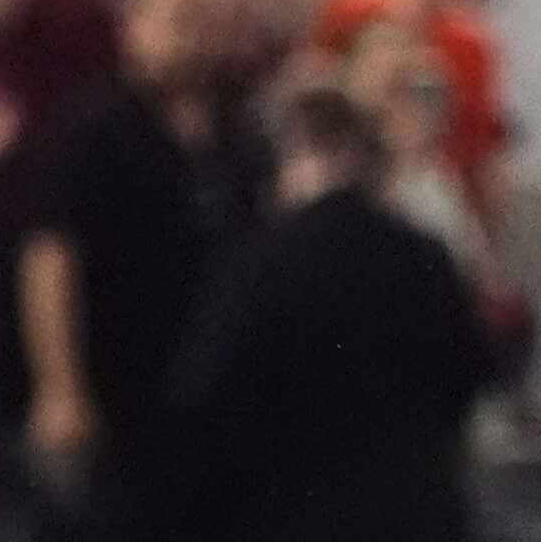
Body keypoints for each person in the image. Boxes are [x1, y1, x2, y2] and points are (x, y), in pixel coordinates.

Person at [165, 86, 503, 542]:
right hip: (415, 512)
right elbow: (473, 370)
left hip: (291, 512)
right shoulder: (424, 255)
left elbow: (206, 393)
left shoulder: (259, 262)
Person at [20, 0, 273, 542]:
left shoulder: (239, 138)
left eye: (193, 17)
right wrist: (59, 387)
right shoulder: (95, 127)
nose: (180, 32)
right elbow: (50, 257)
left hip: (213, 397)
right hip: (118, 389)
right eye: (166, 16)